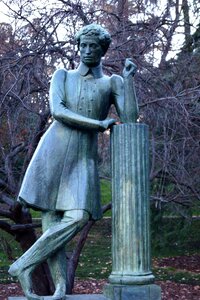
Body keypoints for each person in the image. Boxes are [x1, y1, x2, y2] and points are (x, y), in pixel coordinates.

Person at [8, 24, 138, 300]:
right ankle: (59, 289)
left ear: (103, 50)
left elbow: (128, 118)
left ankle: (22, 265)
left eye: (93, 46)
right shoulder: (62, 76)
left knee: (77, 216)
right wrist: (99, 123)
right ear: (78, 47)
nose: (87, 51)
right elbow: (58, 112)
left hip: (83, 157)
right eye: (83, 46)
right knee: (51, 219)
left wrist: (128, 83)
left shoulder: (111, 82)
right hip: (53, 151)